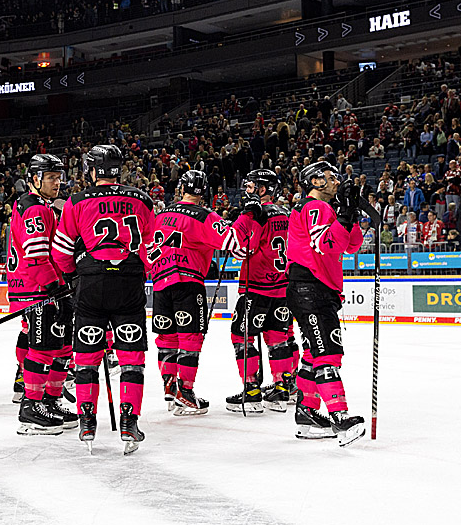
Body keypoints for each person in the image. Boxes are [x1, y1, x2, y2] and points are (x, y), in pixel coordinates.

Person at [52, 144, 155, 454]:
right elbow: (155, 247)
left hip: (91, 284)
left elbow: (60, 252)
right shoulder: (141, 199)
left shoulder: (76, 201)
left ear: (93, 170)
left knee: (86, 358)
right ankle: (128, 423)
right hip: (128, 284)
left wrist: (75, 276)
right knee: (131, 359)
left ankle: (86, 421)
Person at [286, 161, 366, 446]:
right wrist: (343, 216)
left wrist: (350, 214)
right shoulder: (314, 207)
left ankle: (306, 414)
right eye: (331, 177)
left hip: (312, 288)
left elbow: (351, 244)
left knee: (312, 353)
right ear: (316, 181)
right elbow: (326, 245)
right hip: (311, 288)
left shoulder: (322, 208)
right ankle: (340, 417)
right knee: (327, 353)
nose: (337, 181)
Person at [148, 169, 239, 416]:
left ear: (181, 188)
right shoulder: (205, 215)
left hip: (159, 280)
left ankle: (170, 388)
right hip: (187, 280)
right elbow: (233, 242)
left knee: (166, 338)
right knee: (191, 337)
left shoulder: (163, 212)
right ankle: (185, 394)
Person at [8, 154, 77, 435]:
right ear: (35, 179)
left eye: (59, 178)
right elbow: (36, 256)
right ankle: (31, 407)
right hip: (36, 288)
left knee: (61, 347)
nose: (57, 183)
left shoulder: (39, 206)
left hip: (40, 286)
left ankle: (49, 399)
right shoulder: (35, 208)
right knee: (43, 347)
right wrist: (56, 287)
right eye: (51, 177)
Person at [223, 170, 298, 413]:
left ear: (264, 189)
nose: (248, 190)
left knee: (241, 336)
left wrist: (245, 219)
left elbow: (244, 248)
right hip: (283, 286)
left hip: (256, 287)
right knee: (278, 336)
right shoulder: (287, 214)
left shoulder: (259, 215)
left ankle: (252, 391)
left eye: (252, 186)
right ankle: (281, 389)